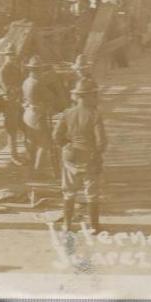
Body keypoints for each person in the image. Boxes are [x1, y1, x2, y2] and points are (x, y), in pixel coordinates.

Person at [54, 77, 108, 231]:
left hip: (70, 156)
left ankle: (67, 224)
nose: (96, 98)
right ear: (89, 96)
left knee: (69, 191)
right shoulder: (94, 115)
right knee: (91, 193)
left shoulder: (67, 113)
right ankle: (93, 226)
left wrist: (68, 145)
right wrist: (97, 154)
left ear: (78, 96)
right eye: (94, 95)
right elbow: (102, 141)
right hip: (88, 156)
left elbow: (56, 136)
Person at [21, 55, 56, 174]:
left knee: (32, 142)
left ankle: (30, 169)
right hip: (37, 115)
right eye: (40, 69)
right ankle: (38, 170)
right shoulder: (38, 83)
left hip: (27, 113)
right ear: (38, 70)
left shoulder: (26, 81)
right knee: (44, 143)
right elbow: (50, 97)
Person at [0, 43, 23, 166]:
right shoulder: (3, 70)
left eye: (12, 55)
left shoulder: (15, 68)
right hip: (9, 102)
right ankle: (13, 155)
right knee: (12, 129)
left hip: (17, 101)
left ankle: (15, 153)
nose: (11, 57)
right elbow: (6, 88)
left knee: (17, 128)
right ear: (5, 56)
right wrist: (18, 89)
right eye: (9, 55)